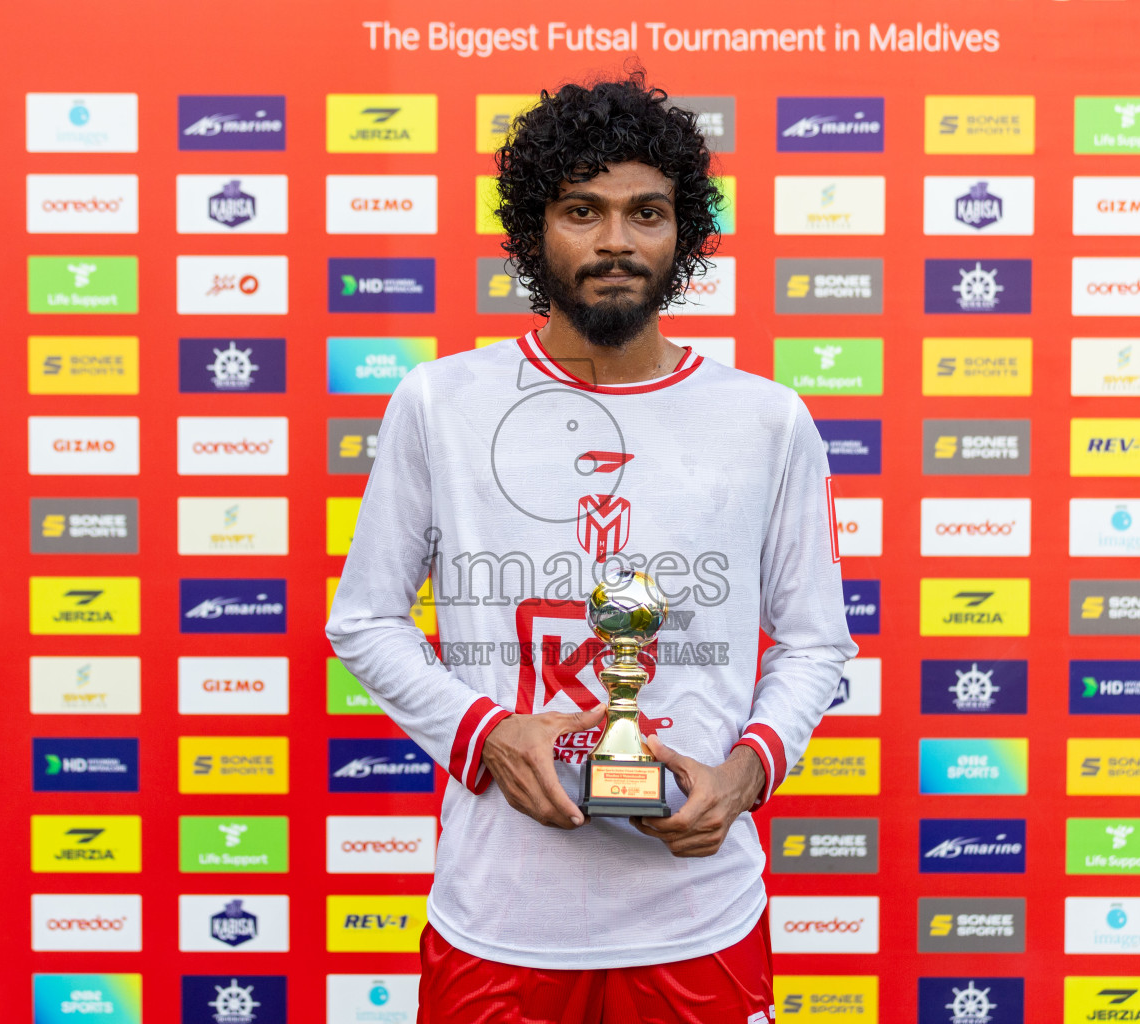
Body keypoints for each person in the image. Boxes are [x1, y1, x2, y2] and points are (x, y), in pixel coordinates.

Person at [326, 73, 858, 1024]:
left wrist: (746, 774)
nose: (616, 241)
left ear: (683, 235)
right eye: (583, 210)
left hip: (700, 920)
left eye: (646, 212)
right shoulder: (440, 405)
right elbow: (365, 620)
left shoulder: (768, 420)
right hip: (499, 921)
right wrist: (487, 733)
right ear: (534, 233)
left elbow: (816, 641)